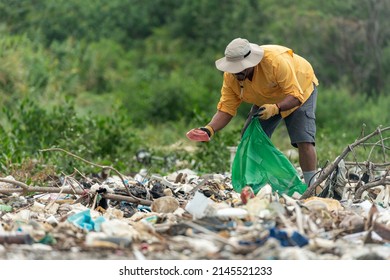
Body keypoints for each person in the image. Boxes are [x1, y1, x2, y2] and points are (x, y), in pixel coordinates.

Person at [188, 38, 319, 187]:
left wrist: (275, 108)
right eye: (233, 69)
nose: (237, 72)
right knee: (249, 137)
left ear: (251, 62)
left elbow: (296, 96)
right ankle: (262, 182)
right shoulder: (231, 77)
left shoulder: (275, 62)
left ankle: (311, 186)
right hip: (266, 96)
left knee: (303, 139)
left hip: (300, 88)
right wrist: (209, 129)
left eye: (240, 68)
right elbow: (226, 108)